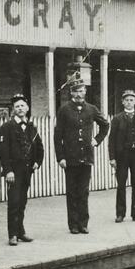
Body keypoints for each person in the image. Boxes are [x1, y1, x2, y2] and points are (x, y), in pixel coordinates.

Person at [53, 79, 110, 234]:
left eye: (81, 91)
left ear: (85, 91)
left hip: (86, 157)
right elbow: (57, 136)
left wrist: (96, 140)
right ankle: (73, 225)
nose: (78, 94)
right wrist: (61, 157)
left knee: (83, 191)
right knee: (72, 191)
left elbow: (105, 125)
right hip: (70, 158)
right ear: (71, 92)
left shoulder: (91, 109)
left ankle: (83, 223)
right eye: (75, 91)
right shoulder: (64, 110)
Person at [0, 93, 44, 246]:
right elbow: (3, 151)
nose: (20, 109)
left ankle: (20, 231)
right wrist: (8, 171)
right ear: (13, 109)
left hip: (27, 172)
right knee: (14, 202)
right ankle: (12, 234)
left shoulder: (32, 127)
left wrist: (38, 161)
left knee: (22, 202)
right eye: (17, 106)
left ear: (27, 108)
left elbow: (39, 146)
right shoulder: (7, 127)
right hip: (14, 172)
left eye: (22, 106)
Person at [108, 89, 135, 223]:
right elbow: (111, 140)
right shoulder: (117, 119)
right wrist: (112, 158)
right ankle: (120, 214)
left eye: (131, 100)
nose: (129, 102)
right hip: (122, 156)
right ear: (122, 102)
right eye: (126, 100)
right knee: (121, 185)